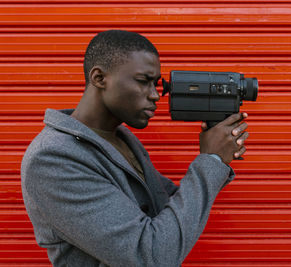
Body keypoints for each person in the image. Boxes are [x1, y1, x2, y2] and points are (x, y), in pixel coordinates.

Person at [20, 30, 249, 267]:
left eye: (156, 84)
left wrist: (217, 159)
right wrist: (210, 161)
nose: (155, 95)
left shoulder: (120, 138)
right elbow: (150, 255)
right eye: (143, 81)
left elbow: (166, 207)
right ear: (99, 78)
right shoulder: (52, 158)